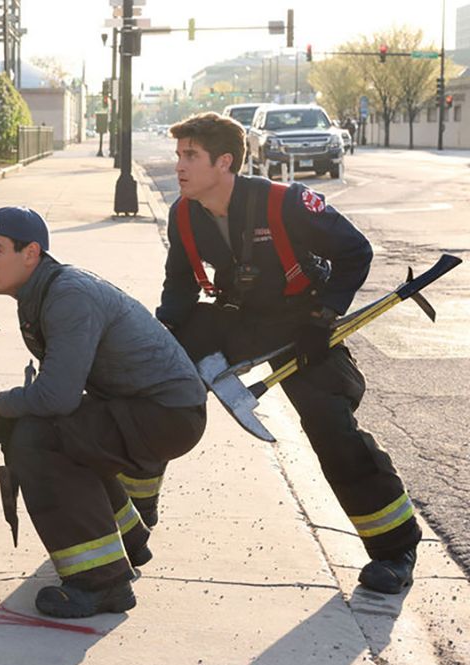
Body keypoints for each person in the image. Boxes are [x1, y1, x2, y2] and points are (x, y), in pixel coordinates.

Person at [159, 112, 421, 594]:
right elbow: (179, 287)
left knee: (329, 425)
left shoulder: (286, 202)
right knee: (151, 388)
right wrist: (164, 339)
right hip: (237, 316)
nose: (179, 165)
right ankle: (130, 524)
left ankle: (394, 547)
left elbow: (355, 252)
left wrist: (323, 318)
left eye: (190, 156)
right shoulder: (184, 214)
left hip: (302, 321)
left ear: (225, 162)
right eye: (178, 155)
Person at [0, 207, 207, 618]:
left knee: (35, 439)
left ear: (31, 253)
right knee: (53, 430)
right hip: (142, 406)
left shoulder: (67, 296)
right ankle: (128, 537)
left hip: (168, 415)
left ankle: (101, 582)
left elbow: (57, 397)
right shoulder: (42, 292)